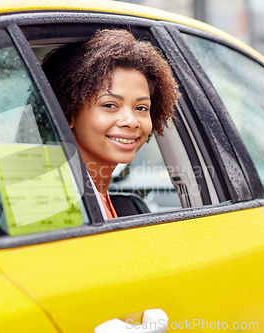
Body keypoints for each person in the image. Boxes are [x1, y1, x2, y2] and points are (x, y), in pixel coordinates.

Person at [42, 29, 180, 219]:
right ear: (68, 114)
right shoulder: (51, 199)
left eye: (141, 108)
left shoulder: (94, 197)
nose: (131, 121)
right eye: (109, 105)